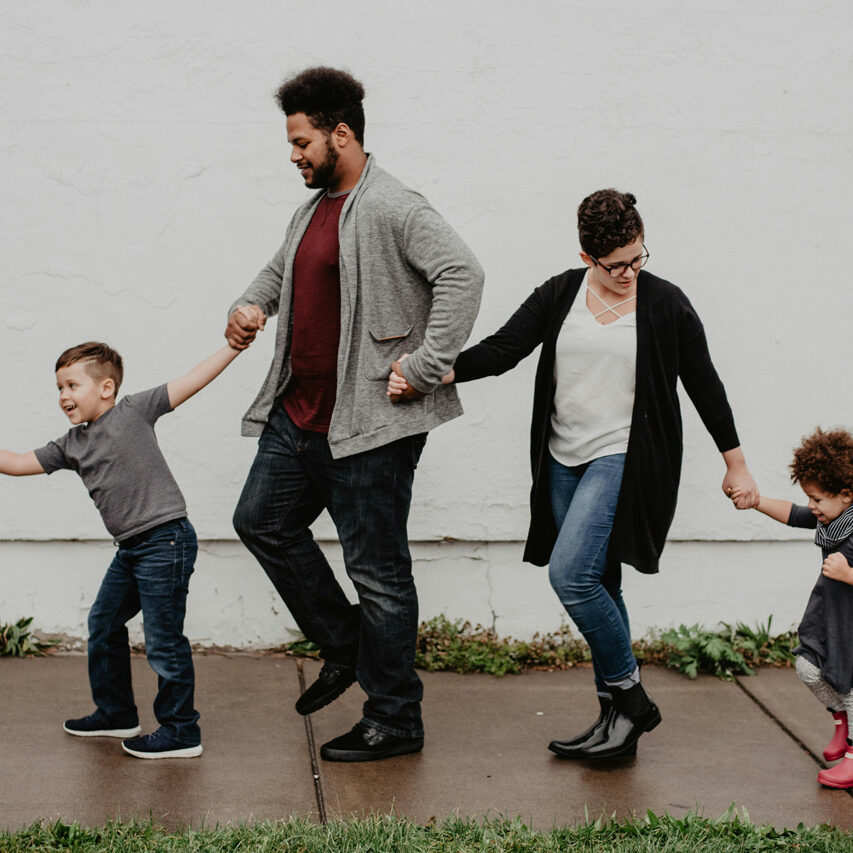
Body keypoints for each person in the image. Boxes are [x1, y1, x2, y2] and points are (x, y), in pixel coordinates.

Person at [389, 189, 758, 759]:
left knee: (572, 576)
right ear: (588, 257)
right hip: (562, 459)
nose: (630, 272)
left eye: (639, 258)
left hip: (624, 457)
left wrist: (735, 463)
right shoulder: (562, 293)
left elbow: (704, 383)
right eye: (616, 265)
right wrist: (431, 373)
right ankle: (616, 724)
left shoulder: (666, 304)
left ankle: (632, 700)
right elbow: (505, 349)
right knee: (601, 582)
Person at [227, 67, 484, 762]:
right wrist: (249, 305)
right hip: (299, 415)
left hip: (368, 426)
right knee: (260, 521)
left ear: (341, 134)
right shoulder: (311, 210)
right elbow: (280, 271)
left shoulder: (393, 205)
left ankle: (395, 716)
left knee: (378, 572)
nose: (293, 154)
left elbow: (463, 274)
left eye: (302, 140)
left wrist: (425, 365)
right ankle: (345, 646)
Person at [0, 339, 244, 758]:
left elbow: (192, 380)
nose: (63, 396)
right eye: (59, 388)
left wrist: (233, 347)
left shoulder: (134, 410)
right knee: (104, 622)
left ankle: (182, 730)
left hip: (165, 540)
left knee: (164, 641)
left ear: (106, 388)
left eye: (72, 386)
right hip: (131, 548)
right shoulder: (71, 445)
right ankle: (116, 712)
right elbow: (21, 462)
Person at [730, 427, 853, 789]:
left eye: (817, 499)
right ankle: (840, 721)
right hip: (830, 616)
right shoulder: (831, 521)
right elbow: (794, 513)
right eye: (809, 498)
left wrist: (849, 574)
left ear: (846, 495)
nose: (812, 506)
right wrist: (756, 501)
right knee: (807, 667)